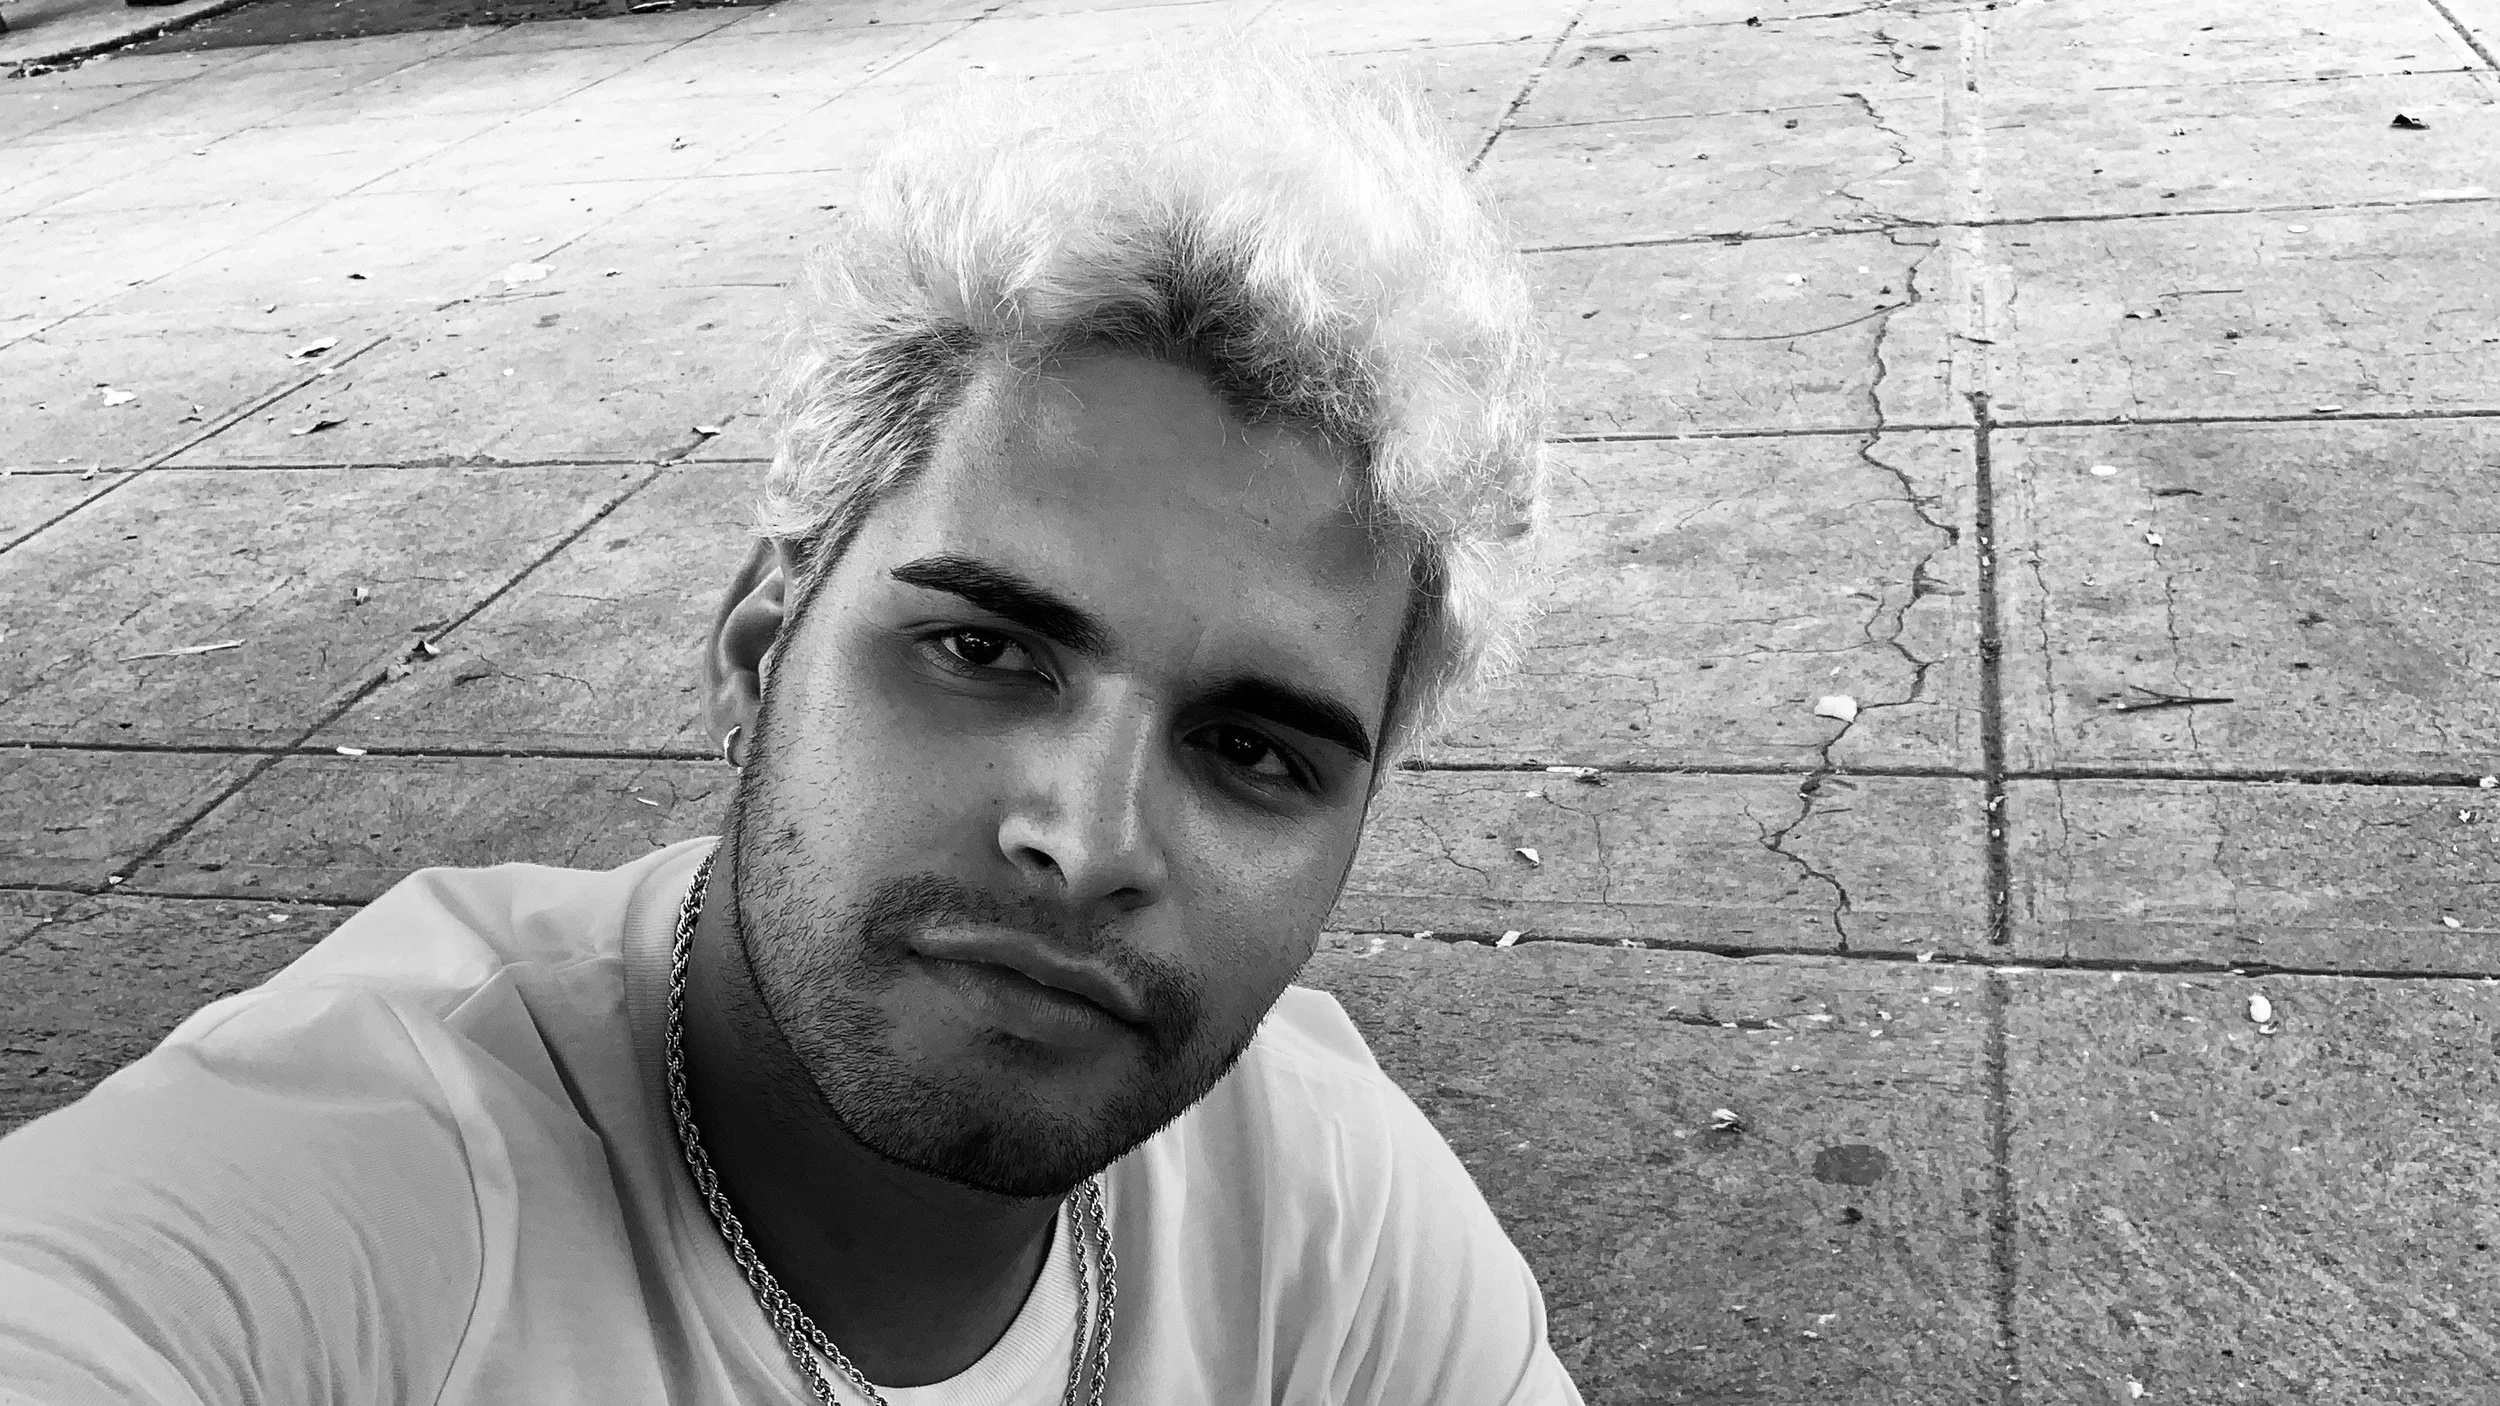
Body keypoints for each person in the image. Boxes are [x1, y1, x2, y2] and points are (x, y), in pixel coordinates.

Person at [0, 40, 1576, 1405]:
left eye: (1251, 752)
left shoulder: (1332, 1207)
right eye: (984, 646)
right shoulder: (333, 1192)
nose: (1087, 839)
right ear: (762, 648)